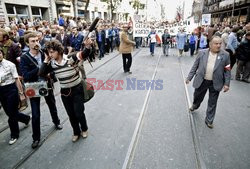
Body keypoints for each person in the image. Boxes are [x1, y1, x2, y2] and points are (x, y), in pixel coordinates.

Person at [39, 39, 92, 142]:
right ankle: (76, 132)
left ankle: (84, 129)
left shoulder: (70, 58)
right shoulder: (52, 64)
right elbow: (41, 73)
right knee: (71, 114)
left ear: (58, 51)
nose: (50, 54)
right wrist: (46, 60)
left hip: (77, 89)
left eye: (52, 52)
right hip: (64, 92)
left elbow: (84, 54)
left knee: (79, 112)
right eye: (48, 52)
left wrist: (88, 47)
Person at [20, 32, 62, 149]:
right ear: (27, 44)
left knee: (52, 105)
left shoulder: (44, 53)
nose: (36, 43)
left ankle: (57, 122)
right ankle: (36, 138)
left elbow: (52, 67)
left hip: (46, 84)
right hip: (33, 88)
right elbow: (26, 76)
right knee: (36, 113)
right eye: (32, 41)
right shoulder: (24, 58)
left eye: (37, 40)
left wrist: (51, 74)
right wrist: (41, 67)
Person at [186, 36, 231, 129]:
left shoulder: (225, 55)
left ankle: (209, 120)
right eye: (216, 43)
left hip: (216, 82)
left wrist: (227, 84)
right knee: (198, 96)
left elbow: (227, 70)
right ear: (210, 45)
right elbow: (195, 66)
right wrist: (189, 77)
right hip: (202, 80)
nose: (218, 45)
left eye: (220, 43)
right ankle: (195, 105)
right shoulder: (202, 53)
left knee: (212, 102)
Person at [0, 47, 30, 145]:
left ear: (2, 54)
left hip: (11, 90)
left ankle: (14, 134)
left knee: (12, 114)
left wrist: (21, 94)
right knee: (9, 113)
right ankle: (25, 118)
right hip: (1, 91)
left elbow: (17, 80)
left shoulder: (10, 65)